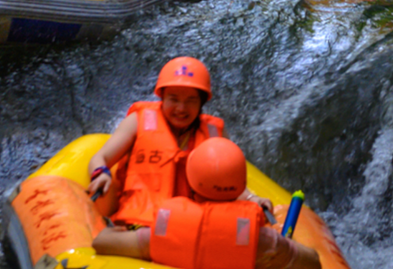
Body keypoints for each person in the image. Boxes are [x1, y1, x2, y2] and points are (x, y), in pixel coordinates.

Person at [93, 138, 322, 269]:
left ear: (191, 188)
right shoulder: (264, 241)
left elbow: (101, 243)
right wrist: (286, 247)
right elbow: (314, 264)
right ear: (240, 189)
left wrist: (115, 230)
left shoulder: (164, 232)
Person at [86, 57, 271, 228]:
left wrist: (251, 198)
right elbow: (101, 157)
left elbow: (228, 185)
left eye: (190, 101)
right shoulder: (137, 121)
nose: (181, 109)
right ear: (162, 98)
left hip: (191, 228)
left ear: (201, 102)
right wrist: (100, 174)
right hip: (139, 225)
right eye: (173, 99)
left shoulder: (215, 134)